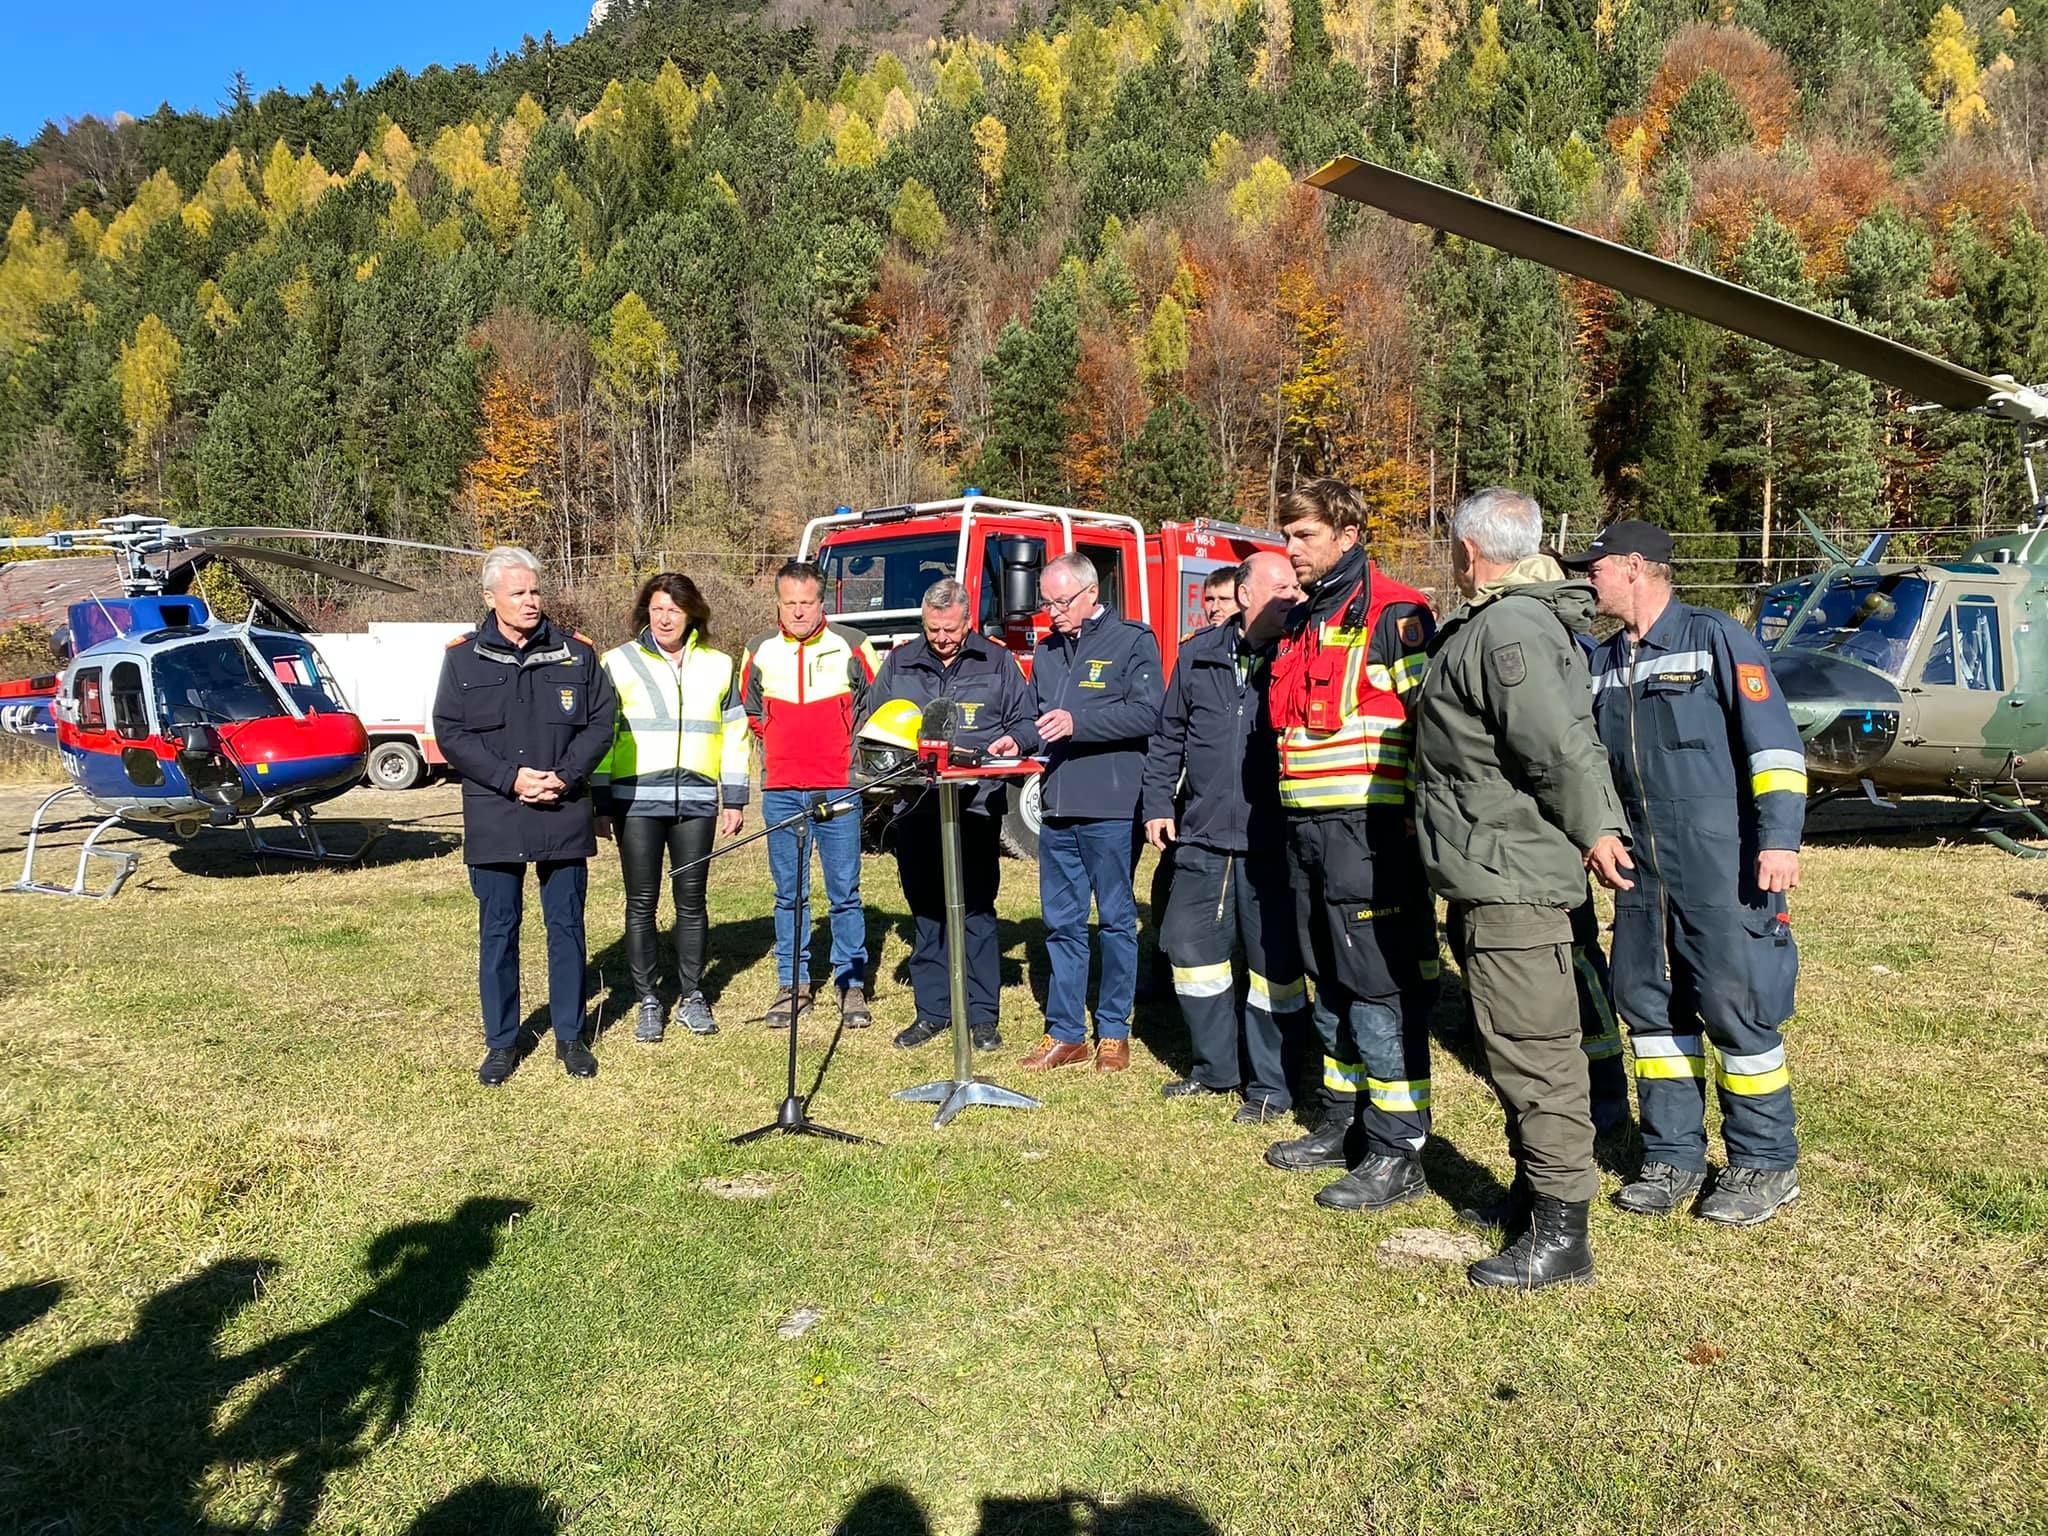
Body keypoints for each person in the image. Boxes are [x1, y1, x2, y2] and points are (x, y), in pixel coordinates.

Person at [1410, 489, 1634, 1289]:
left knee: (1536, 1056)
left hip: (1514, 878)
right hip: (1492, 869)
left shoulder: (1508, 628)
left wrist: (1598, 829)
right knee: (1512, 1047)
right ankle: (1532, 1196)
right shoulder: (1503, 621)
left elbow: (1558, 746)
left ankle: (1562, 1235)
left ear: (1469, 550)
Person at [1565, 518, 1807, 1226]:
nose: (1589, 579)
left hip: (1720, 864)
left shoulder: (1715, 638)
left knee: (1735, 1006)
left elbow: (1774, 747)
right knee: (1649, 1009)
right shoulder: (1605, 659)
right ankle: (1672, 1155)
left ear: (1635, 566)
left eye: (1596, 567)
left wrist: (1779, 840)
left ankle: (1765, 1163)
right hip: (1641, 873)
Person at [1263, 478, 1440, 1212]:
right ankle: (1345, 1123)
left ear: (1347, 534)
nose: (1291, 548)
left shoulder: (1395, 613)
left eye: (1304, 535)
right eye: (1287, 535)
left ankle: (1400, 1148)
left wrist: (1420, 817)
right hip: (1305, 831)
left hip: (1370, 832)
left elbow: (1434, 726)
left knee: (1377, 990)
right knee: (1329, 984)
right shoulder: (1303, 620)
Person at [433, 547, 618, 1085]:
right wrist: (510, 778)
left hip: (562, 806)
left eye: (535, 590)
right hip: (496, 810)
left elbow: (601, 723)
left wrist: (566, 775)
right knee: (499, 930)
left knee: (567, 927)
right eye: (518, 593)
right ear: (490, 598)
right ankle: (501, 1042)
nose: (531, 601)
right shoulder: (463, 658)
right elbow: (451, 732)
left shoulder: (576, 653)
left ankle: (570, 1036)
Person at [1141, 550, 1308, 1123]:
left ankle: (1271, 1086)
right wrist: (1158, 804)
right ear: (1244, 595)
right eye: (1281, 587)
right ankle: (1214, 1070)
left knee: (1274, 972)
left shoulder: (1298, 652)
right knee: (1193, 958)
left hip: (1273, 841)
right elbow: (1168, 736)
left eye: (1296, 586)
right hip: (1203, 837)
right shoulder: (1198, 655)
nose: (1294, 596)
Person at [990, 552, 1162, 1072]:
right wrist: (1015, 739)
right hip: (1058, 806)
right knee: (1061, 923)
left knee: (1115, 921)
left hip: (1111, 805)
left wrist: (1079, 723)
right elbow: (1037, 718)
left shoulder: (1132, 641)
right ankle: (1066, 1033)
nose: (1053, 612)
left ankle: (1113, 1031)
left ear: (1091, 593)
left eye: (1061, 602)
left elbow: (1148, 712)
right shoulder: (1047, 650)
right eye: (1047, 603)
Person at [857, 579, 1036, 1051]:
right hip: (915, 806)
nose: (941, 638)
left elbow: (1026, 723)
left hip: (975, 808)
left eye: (950, 630)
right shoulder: (900, 662)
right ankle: (932, 1011)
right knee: (927, 909)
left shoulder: (997, 662)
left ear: (968, 621)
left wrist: (1013, 741)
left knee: (976, 908)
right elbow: (873, 727)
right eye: (933, 629)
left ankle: (982, 1016)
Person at [591, 573, 750, 1044]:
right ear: (646, 612)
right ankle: (648, 1000)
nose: (665, 618)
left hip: (697, 800)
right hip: (636, 801)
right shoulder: (617, 661)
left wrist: (734, 798)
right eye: (657, 609)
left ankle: (693, 995)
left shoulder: (719, 665)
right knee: (641, 903)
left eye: (674, 610)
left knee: (692, 901)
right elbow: (601, 735)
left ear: (691, 614)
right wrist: (600, 800)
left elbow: (735, 733)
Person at [739, 560, 882, 1030]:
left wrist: (848, 756)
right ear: (778, 604)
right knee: (789, 894)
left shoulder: (853, 644)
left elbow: (876, 705)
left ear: (822, 602)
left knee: (845, 891)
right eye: (790, 603)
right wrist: (782, 745)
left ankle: (851, 982)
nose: (798, 611)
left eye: (807, 602)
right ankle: (793, 984)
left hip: (838, 785)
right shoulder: (758, 650)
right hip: (782, 789)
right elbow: (751, 709)